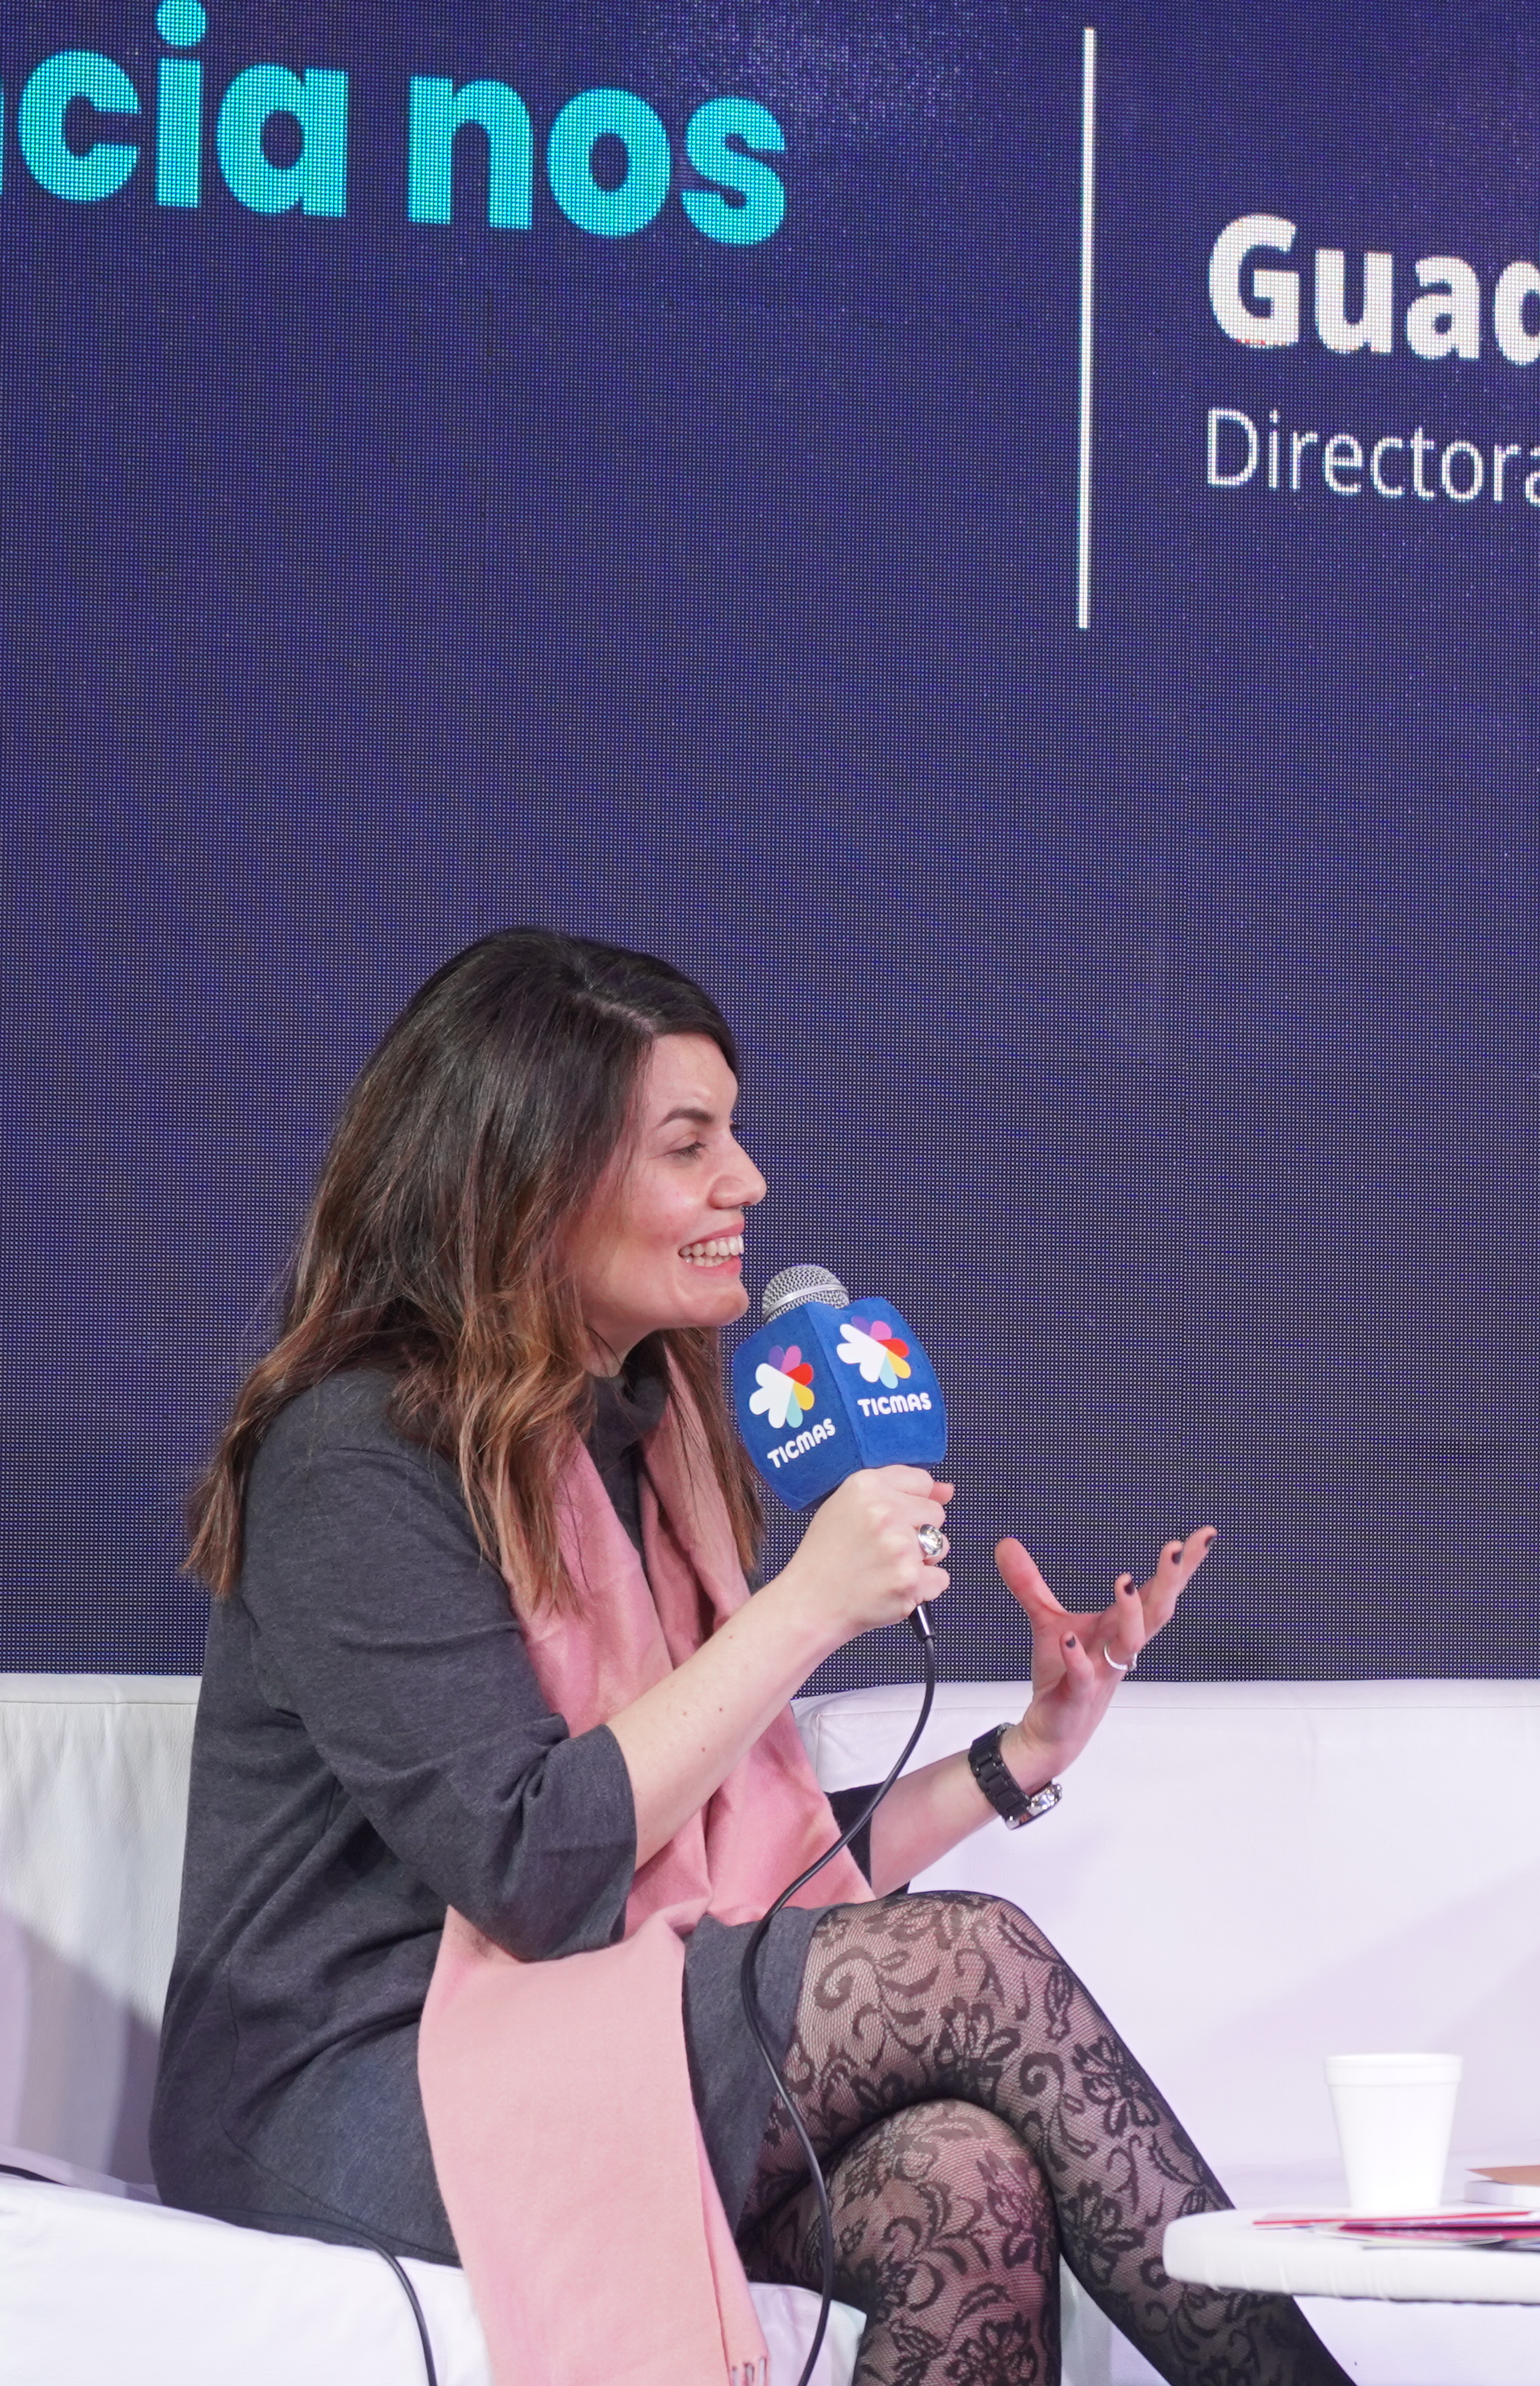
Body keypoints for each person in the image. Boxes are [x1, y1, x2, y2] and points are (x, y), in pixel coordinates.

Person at [153, 926, 1352, 2386]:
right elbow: (531, 1858)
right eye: (689, 1143)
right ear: (533, 1175)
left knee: (960, 2169)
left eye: (736, 1132)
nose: (749, 1183)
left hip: (586, 2003)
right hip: (353, 2075)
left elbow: (723, 1851)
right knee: (975, 1955)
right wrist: (805, 1608)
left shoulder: (647, 1426)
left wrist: (1018, 1755)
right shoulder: (356, 1452)